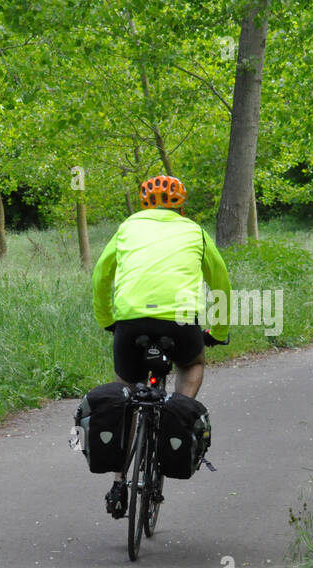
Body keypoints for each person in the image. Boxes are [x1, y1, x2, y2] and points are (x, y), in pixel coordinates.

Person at [91, 174, 231, 517]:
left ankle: (119, 482)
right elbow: (220, 280)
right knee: (193, 363)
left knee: (126, 396)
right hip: (181, 320)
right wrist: (218, 329)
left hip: (130, 321)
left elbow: (101, 275)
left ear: (143, 204)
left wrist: (107, 320)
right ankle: (176, 415)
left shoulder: (127, 228)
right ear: (181, 206)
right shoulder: (194, 231)